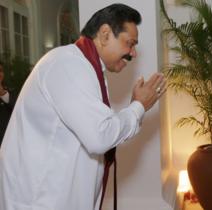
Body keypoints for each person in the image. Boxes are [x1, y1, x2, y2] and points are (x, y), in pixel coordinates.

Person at [0, 4, 166, 210]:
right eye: (130, 43)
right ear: (105, 34)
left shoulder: (84, 67)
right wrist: (138, 106)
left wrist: (136, 107)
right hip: (40, 201)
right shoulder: (67, 64)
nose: (133, 53)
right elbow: (100, 136)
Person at [0, 62, 16, 145]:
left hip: (6, 144)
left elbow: (17, 110)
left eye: (1, 70)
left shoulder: (10, 91)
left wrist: (3, 94)